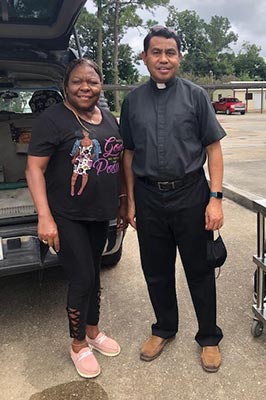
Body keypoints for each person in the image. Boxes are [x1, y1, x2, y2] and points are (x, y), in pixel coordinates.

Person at [120, 26, 226, 373]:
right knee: (156, 270)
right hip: (149, 197)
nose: (163, 59)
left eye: (170, 53)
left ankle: (209, 337)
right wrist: (131, 202)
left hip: (191, 194)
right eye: (156, 52)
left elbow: (213, 148)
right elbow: (129, 155)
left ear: (179, 57)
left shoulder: (196, 96)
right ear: (144, 57)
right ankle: (164, 328)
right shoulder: (132, 101)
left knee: (200, 268)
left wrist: (216, 198)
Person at [26, 58, 127, 379]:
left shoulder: (108, 116)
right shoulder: (52, 120)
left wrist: (124, 202)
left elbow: (118, 160)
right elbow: (34, 169)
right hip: (66, 215)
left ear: (101, 85)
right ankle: (78, 343)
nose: (85, 87)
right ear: (65, 86)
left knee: (94, 275)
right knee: (82, 277)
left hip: (100, 214)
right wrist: (45, 217)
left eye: (93, 82)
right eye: (77, 82)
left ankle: (94, 331)